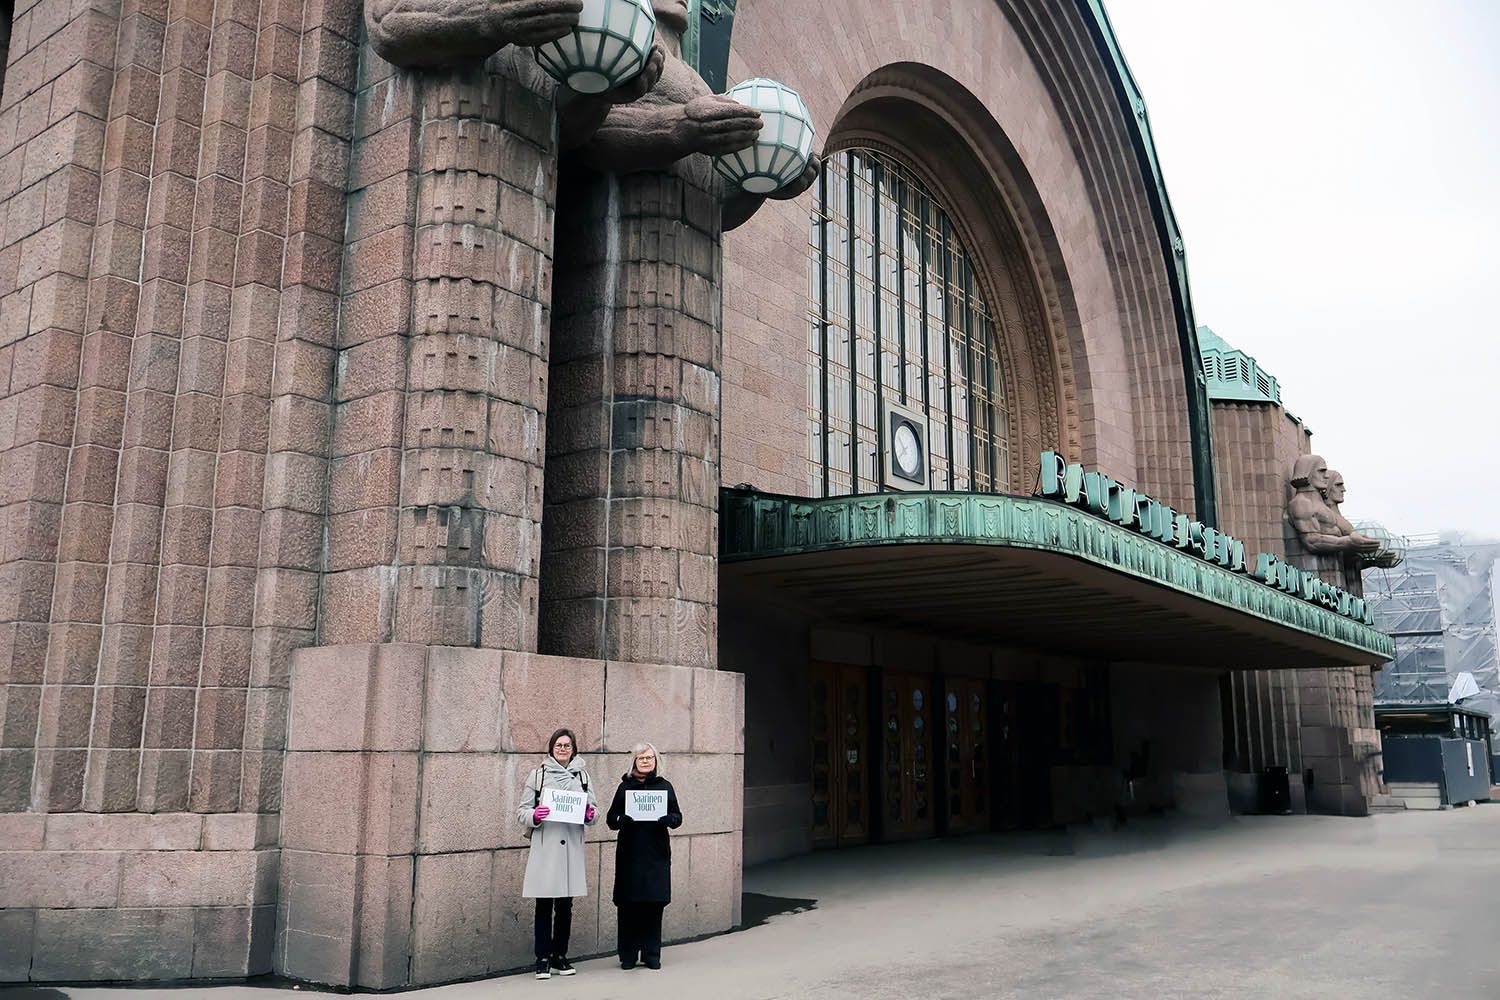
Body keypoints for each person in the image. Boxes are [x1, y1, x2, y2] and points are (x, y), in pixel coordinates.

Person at [517, 728, 597, 980]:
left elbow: (592, 808)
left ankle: (559, 956)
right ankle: (542, 958)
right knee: (543, 904)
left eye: (567, 745)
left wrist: (590, 814)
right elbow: (522, 811)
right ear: (551, 748)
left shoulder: (582, 776)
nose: (563, 749)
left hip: (571, 847)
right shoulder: (538, 775)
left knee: (565, 906)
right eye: (559, 745)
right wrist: (535, 816)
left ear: (574, 749)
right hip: (546, 847)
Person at [606, 741, 683, 970]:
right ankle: (628, 955)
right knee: (629, 906)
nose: (646, 761)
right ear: (634, 762)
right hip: (630, 856)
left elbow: (678, 817)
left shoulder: (665, 787)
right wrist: (622, 819)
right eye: (642, 758)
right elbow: (611, 819)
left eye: (650, 757)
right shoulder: (624, 788)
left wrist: (669, 820)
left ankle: (651, 954)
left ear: (656, 760)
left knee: (653, 906)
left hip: (655, 856)